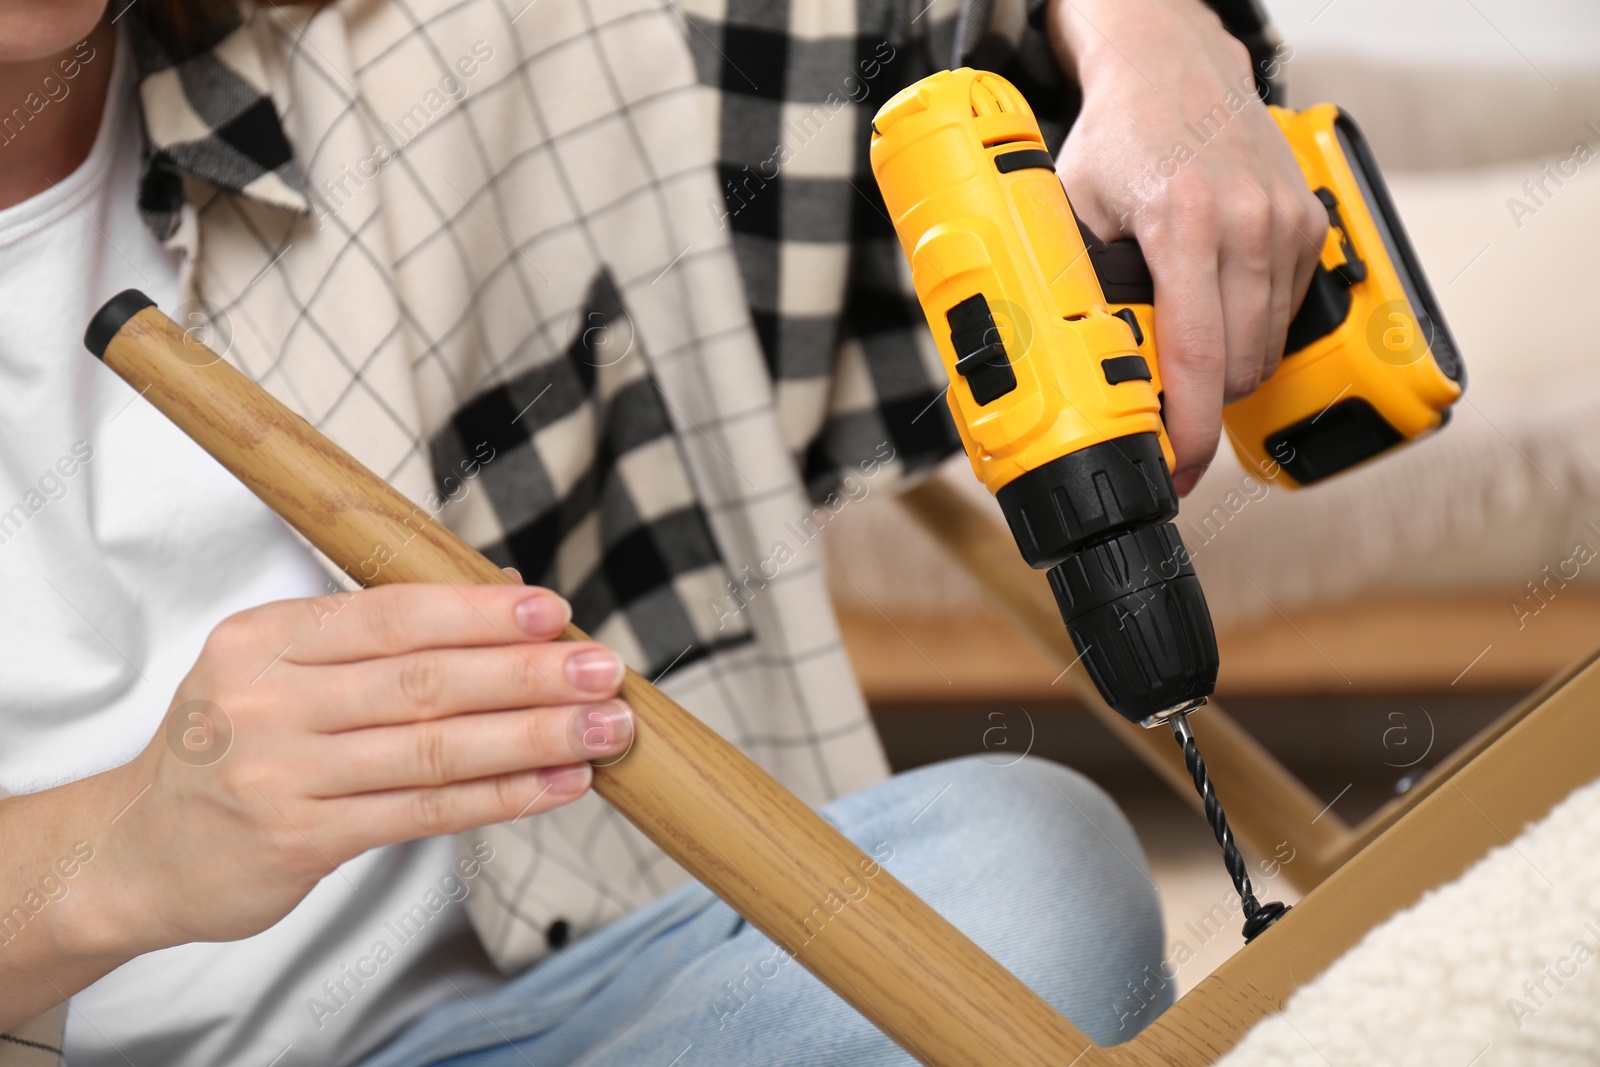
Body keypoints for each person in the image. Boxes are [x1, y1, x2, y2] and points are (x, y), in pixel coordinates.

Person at [0, 0, 1326, 1063]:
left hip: (577, 1005)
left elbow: (905, 29)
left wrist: (1150, 41)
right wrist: (118, 849)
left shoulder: (397, 55)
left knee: (1028, 878)